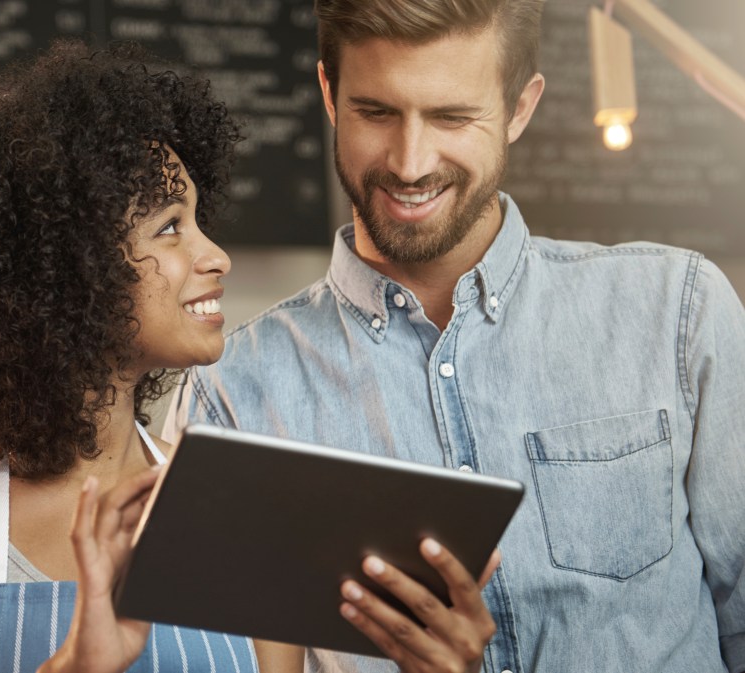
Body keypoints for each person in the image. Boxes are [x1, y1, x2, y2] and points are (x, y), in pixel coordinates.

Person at [0, 39, 499, 673]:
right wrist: (81, 662)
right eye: (171, 226)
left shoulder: (249, 518)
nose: (217, 257)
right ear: (71, 267)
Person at [166, 1, 745, 672]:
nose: (410, 163)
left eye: (451, 117)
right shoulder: (230, 392)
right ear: (329, 95)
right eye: (377, 112)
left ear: (520, 108)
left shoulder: (679, 312)